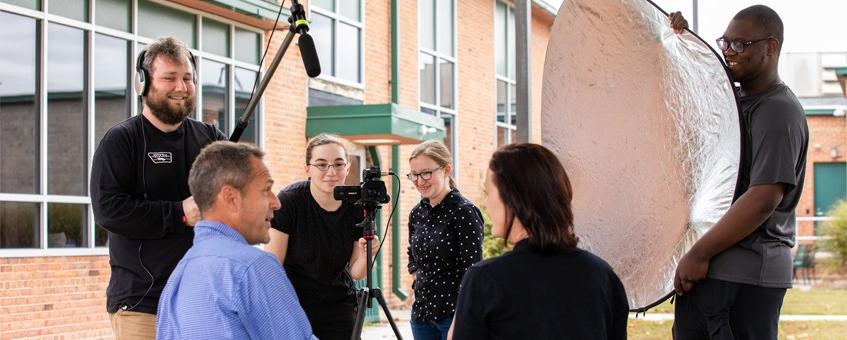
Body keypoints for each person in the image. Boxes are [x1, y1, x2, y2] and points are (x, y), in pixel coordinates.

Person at [669, 5, 809, 339]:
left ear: (771, 47)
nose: (729, 52)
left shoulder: (777, 110)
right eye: (725, 43)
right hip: (711, 274)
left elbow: (763, 198)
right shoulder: (735, 102)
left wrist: (699, 253)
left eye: (740, 45)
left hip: (744, 278)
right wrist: (684, 43)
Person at [90, 36, 226, 339]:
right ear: (143, 82)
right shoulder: (121, 140)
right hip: (143, 304)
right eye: (170, 78)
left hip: (204, 300)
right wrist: (179, 213)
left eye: (188, 78)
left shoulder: (211, 137)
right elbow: (108, 209)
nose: (181, 87)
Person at [451, 143, 629, 340]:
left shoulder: (485, 280)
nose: (485, 203)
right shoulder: (602, 275)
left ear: (513, 199)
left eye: (488, 192)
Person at [156, 141, 315, 340]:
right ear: (231, 198)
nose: (276, 202)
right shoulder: (253, 266)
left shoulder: (178, 276)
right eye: (266, 190)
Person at [265, 133, 378, 340]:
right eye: (321, 164)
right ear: (307, 168)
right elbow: (273, 265)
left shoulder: (357, 206)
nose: (331, 172)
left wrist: (366, 255)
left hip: (339, 304)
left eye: (338, 164)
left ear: (348, 168)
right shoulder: (290, 201)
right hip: (295, 303)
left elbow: (357, 273)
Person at [407, 140, 484, 340]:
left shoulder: (464, 211)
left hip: (453, 314)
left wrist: (461, 318)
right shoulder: (417, 213)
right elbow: (412, 255)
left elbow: (473, 269)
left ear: (446, 170)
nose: (419, 181)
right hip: (422, 315)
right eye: (414, 175)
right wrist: (418, 279)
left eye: (426, 173)